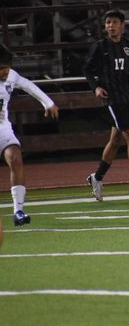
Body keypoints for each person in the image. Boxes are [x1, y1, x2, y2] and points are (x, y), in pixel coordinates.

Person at [83, 9, 129, 201]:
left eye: (115, 22)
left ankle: (96, 177)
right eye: (108, 22)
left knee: (115, 141)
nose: (111, 26)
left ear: (122, 25)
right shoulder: (101, 46)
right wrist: (96, 87)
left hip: (126, 97)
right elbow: (87, 69)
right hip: (112, 98)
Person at [0, 43, 59, 226]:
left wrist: (48, 103)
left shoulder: (11, 76)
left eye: (7, 68)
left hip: (2, 127)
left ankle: (18, 211)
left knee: (15, 158)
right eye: (1, 69)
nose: (5, 73)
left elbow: (28, 85)